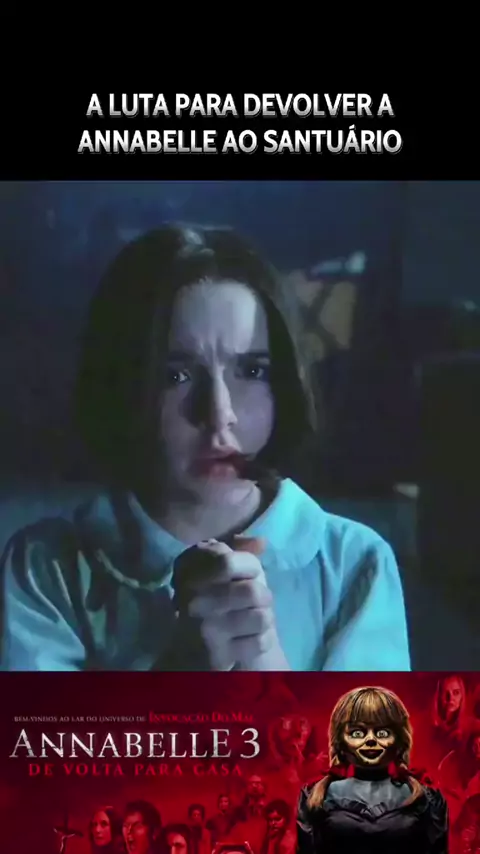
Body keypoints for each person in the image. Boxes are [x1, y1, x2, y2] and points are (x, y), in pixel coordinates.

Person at [0, 224, 410, 671]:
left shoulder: (353, 561)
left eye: (251, 371)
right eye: (176, 375)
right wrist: (180, 674)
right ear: (120, 384)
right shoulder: (44, 566)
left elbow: (374, 721)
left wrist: (264, 669)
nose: (219, 413)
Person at [296, 686, 449, 853]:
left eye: (382, 733)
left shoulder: (427, 800)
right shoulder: (315, 798)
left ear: (399, 741)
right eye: (357, 733)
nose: (370, 740)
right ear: (340, 742)